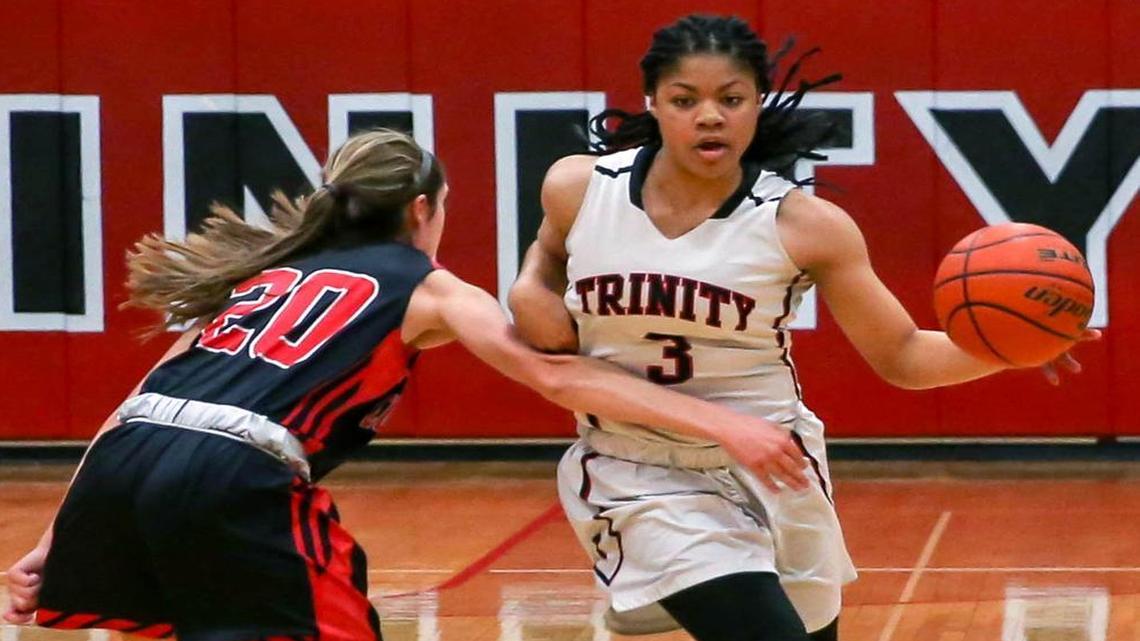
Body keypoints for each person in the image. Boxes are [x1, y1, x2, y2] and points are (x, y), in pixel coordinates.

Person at [2, 128, 816, 641]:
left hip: (127, 469)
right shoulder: (428, 286)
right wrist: (725, 423)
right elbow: (555, 373)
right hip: (235, 474)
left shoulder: (263, 276)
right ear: (423, 209)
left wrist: (56, 535)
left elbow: (139, 404)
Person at [508, 14, 1099, 641]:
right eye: (684, 101)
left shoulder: (804, 225)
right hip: (639, 469)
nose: (710, 117)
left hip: (775, 463)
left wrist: (1008, 349)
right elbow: (547, 254)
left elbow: (901, 354)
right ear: (652, 101)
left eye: (731, 99)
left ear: (757, 104)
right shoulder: (579, 188)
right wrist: (529, 288)